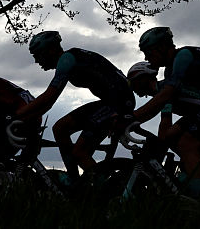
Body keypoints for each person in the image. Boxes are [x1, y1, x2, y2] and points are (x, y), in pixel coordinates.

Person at [125, 26, 200, 197]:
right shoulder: (170, 70)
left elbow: (166, 95)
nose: (147, 58)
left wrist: (132, 117)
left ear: (161, 47)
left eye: (148, 52)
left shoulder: (182, 56)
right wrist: (134, 120)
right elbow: (163, 108)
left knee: (185, 144)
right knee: (174, 141)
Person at [17, 31, 135, 185]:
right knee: (60, 128)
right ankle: (75, 180)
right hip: (113, 101)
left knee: (80, 152)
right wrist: (28, 118)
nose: (36, 60)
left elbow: (49, 97)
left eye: (38, 54)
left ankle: (106, 190)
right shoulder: (70, 58)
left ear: (51, 50)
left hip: (118, 103)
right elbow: (47, 104)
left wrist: (17, 115)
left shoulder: (66, 60)